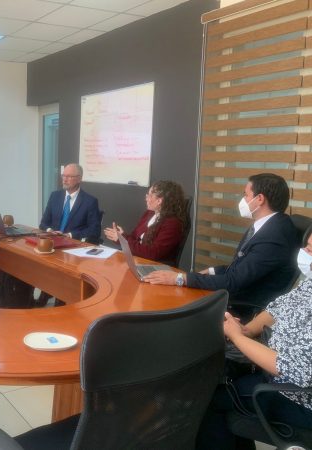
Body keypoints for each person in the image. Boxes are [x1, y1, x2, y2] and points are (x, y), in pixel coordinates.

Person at [144, 173, 299, 319]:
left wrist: (180, 278)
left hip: (243, 307)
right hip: (236, 292)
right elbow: (242, 268)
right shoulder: (268, 226)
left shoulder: (274, 237)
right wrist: (212, 270)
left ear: (259, 199)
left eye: (246, 195)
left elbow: (234, 281)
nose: (243, 200)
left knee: (170, 306)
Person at [196, 280, 312, 448]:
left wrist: (238, 338)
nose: (305, 251)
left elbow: (294, 369)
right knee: (213, 378)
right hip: (272, 370)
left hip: (296, 395)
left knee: (210, 399)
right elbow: (277, 308)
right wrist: (245, 331)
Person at [104, 180, 188, 266]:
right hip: (137, 260)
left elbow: (151, 253)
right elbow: (134, 238)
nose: (146, 198)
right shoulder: (150, 213)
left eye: (149, 195)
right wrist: (122, 236)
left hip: (154, 266)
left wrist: (122, 240)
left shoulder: (172, 224)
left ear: (159, 201)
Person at [39, 163, 101, 244]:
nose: (64, 179)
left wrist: (69, 235)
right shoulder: (55, 196)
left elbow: (95, 230)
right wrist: (50, 231)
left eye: (69, 176)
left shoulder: (90, 201)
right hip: (52, 242)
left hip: (73, 245)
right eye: (63, 176)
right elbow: (43, 223)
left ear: (79, 179)